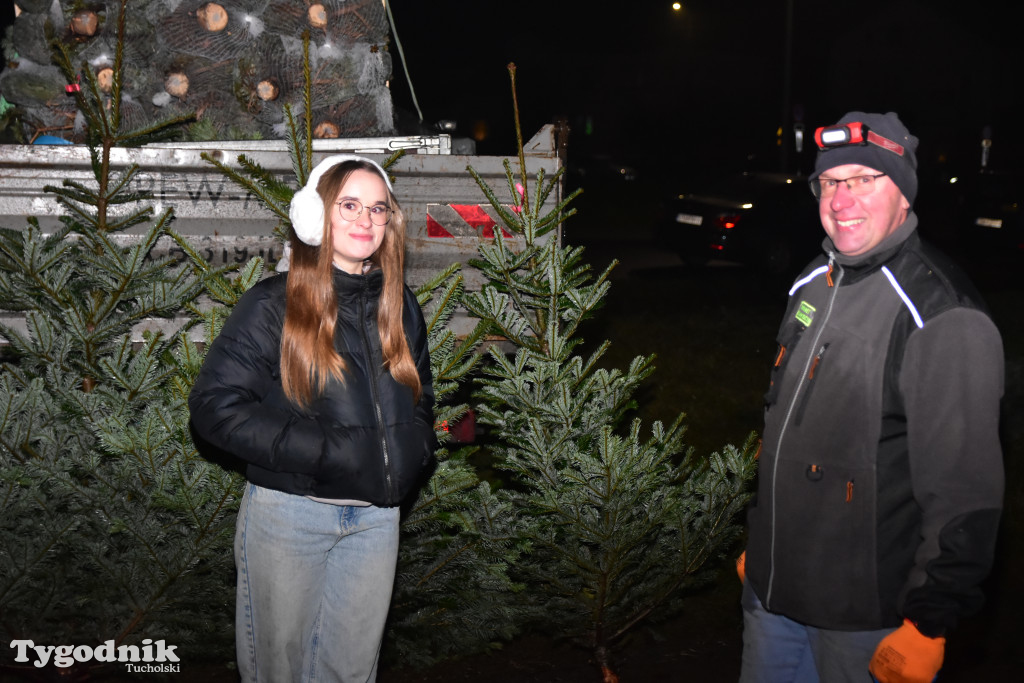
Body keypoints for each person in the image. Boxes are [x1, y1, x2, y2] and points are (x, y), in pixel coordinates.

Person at [738, 112, 1004, 683]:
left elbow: (966, 491)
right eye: (831, 182)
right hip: (774, 596)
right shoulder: (813, 280)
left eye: (865, 179)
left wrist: (930, 622)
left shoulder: (941, 315)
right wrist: (764, 542)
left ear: (903, 195)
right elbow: (782, 421)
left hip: (865, 619)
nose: (842, 199)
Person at [189, 155, 437, 682]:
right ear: (314, 215)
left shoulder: (400, 305)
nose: (365, 220)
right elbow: (216, 408)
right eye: (349, 204)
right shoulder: (271, 305)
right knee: (279, 670)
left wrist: (416, 447)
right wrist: (327, 452)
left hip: (376, 520)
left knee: (350, 673)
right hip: (291, 517)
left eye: (377, 208)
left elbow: (423, 395)